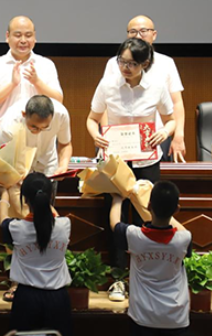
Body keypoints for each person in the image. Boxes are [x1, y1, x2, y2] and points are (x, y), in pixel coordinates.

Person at [87, 38, 175, 301]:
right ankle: (117, 278)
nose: (125, 68)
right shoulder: (108, 84)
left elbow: (171, 120)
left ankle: (145, 276)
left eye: (131, 64)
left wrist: (163, 132)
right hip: (116, 160)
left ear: (144, 64)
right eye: (121, 61)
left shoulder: (157, 86)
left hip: (147, 160)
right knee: (115, 217)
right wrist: (96, 136)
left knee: (146, 216)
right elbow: (92, 119)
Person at [0, 94, 72, 302]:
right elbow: (5, 159)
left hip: (47, 171)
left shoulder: (62, 114)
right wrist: (14, 180)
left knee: (45, 226)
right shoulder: (9, 123)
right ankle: (17, 281)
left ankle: (46, 279)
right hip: (18, 174)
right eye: (33, 127)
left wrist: (62, 167)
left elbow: (65, 144)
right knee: (20, 228)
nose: (39, 131)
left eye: (44, 128)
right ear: (24, 115)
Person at [109, 181, 192, 336]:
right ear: (177, 209)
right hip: (176, 318)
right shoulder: (183, 239)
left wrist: (117, 198)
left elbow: (115, 224)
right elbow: (183, 230)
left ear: (149, 206)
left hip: (143, 317)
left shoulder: (134, 236)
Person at [103, 15, 186, 162]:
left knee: (151, 182)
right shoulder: (114, 64)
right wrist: (106, 133)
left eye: (143, 31)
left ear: (154, 35)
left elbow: (177, 103)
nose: (138, 36)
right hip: (121, 137)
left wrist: (178, 135)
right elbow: (103, 104)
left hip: (157, 136)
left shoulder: (166, 63)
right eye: (132, 32)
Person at [0, 172, 72, 336]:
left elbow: (3, 218)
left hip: (27, 299)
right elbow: (48, 214)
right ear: (51, 195)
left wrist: (4, 193)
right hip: (58, 298)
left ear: (25, 199)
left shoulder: (16, 228)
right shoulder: (65, 224)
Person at [0, 16, 63, 143]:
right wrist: (12, 84)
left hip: (41, 138)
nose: (23, 40)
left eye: (28, 35)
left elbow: (58, 101)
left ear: (35, 37)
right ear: (7, 37)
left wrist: (37, 82)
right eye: (18, 35)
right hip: (7, 138)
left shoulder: (46, 64)